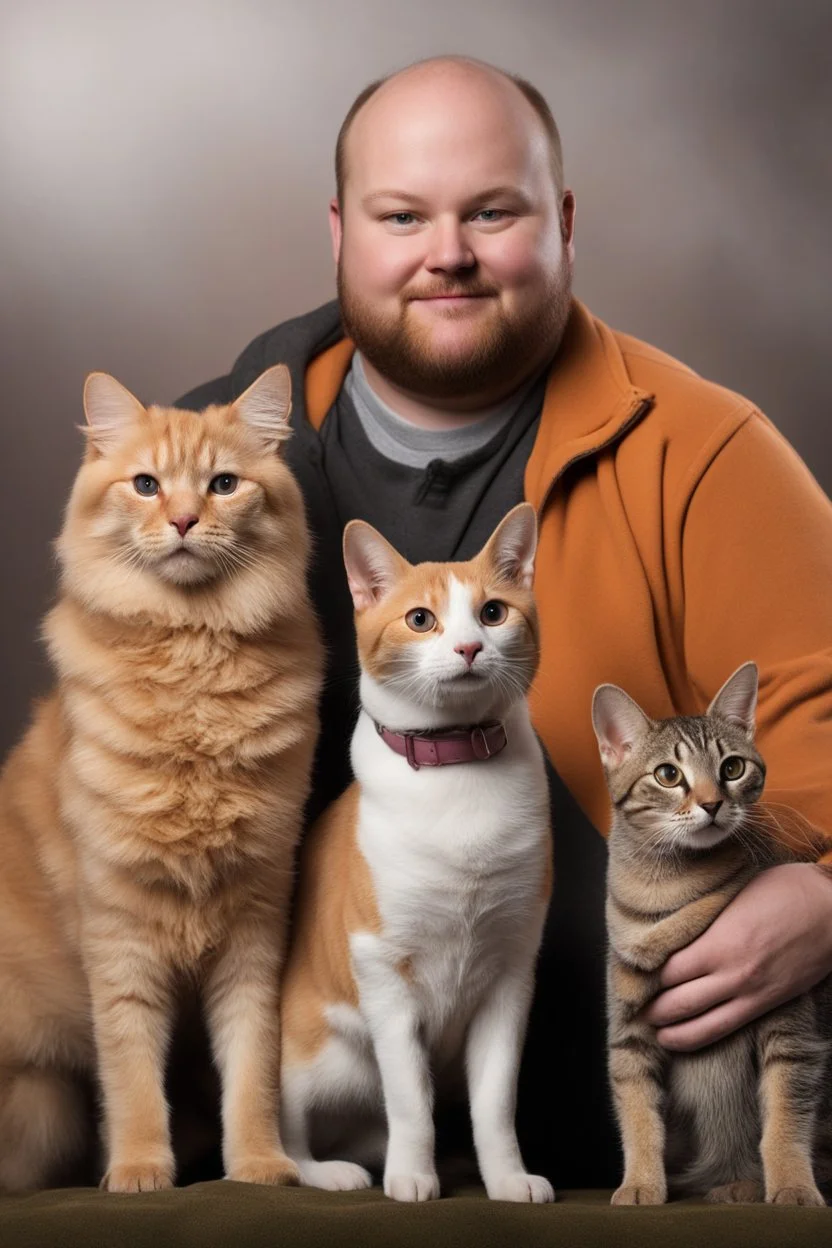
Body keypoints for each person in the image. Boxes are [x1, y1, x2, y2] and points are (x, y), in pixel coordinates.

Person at [177, 56, 832, 1186]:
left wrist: (829, 893)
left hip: (648, 1152)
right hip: (275, 1134)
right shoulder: (196, 475)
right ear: (338, 230)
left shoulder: (708, 450)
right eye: (402, 215)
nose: (449, 254)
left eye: (493, 211)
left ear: (563, 221)